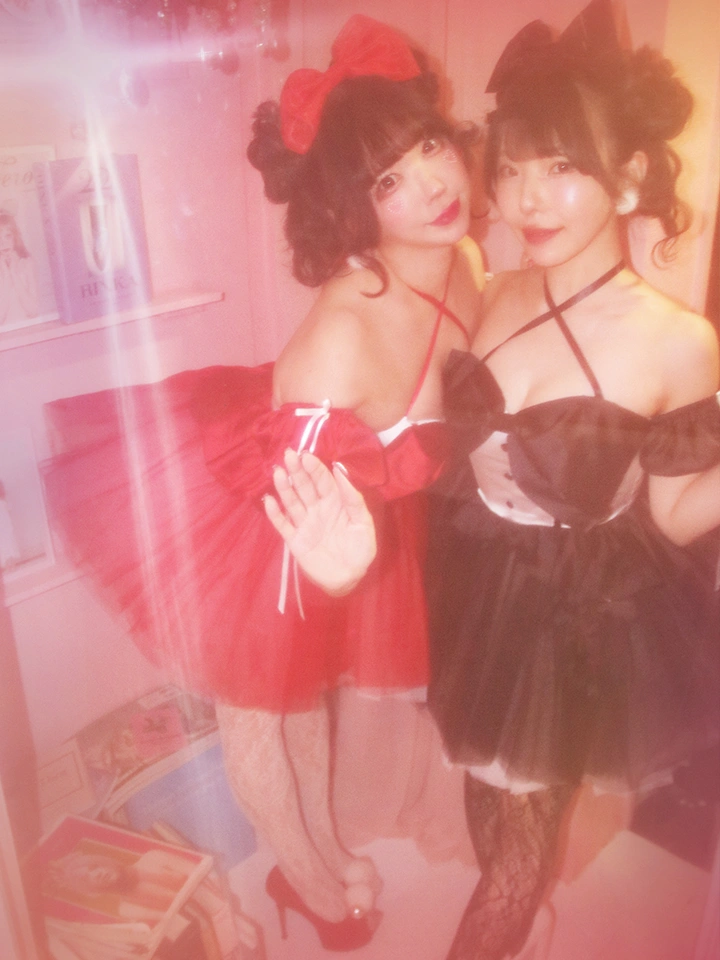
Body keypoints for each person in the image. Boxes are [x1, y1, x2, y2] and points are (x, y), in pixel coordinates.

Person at [265, 2, 720, 957]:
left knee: (516, 859)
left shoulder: (681, 343)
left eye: (561, 168)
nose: (526, 200)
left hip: (572, 624)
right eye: (511, 168)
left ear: (629, 178)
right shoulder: (488, 285)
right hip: (473, 587)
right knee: (481, 782)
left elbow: (676, 511)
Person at [42, 14, 485, 948]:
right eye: (388, 180)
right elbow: (286, 497)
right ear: (358, 209)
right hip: (267, 513)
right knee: (261, 712)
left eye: (428, 146)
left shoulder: (462, 265)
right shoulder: (343, 334)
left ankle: (320, 847)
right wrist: (333, 571)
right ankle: (309, 881)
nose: (432, 184)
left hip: (336, 495)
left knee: (304, 699)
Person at [0, 210, 38, 325]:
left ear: (15, 237)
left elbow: (33, 311)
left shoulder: (27, 262)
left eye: (7, 236)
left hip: (29, 328)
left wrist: (14, 274)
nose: (3, 243)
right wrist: (7, 275)